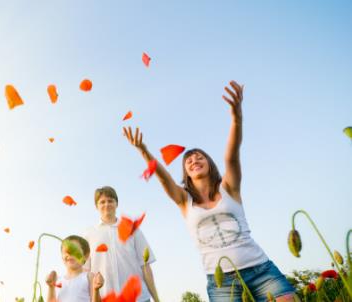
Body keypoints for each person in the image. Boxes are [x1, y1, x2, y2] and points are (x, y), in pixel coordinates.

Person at [123, 81, 296, 301]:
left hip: (261, 270)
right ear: (186, 172)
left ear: (209, 163)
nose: (194, 160)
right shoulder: (183, 200)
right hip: (221, 281)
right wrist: (143, 150)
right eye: (189, 160)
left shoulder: (229, 188)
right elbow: (163, 177)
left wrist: (236, 118)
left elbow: (231, 155)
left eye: (200, 157)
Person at [84, 186, 160, 302]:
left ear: (116, 204)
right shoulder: (88, 234)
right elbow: (86, 272)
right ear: (96, 206)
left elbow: (145, 266)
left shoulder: (132, 229)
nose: (106, 205)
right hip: (105, 298)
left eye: (110, 201)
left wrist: (157, 298)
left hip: (138, 298)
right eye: (102, 202)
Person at [46, 235, 104, 302]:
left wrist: (96, 290)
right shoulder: (58, 280)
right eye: (66, 251)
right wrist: (51, 287)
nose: (70, 254)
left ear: (86, 256)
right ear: (62, 256)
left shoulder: (89, 276)